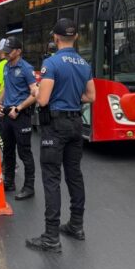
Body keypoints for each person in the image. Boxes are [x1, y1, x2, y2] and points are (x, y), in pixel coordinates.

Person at [26, 18, 96, 253]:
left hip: (55, 126)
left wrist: (35, 90)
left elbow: (43, 100)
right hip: (76, 123)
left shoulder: (52, 63)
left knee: (51, 178)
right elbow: (91, 96)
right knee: (74, 175)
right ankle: (76, 225)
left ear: (55, 38)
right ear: (75, 37)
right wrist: (72, 97)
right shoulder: (84, 63)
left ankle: (51, 236)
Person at [0, 36, 38, 200]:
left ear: (18, 51)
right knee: (7, 150)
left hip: (21, 115)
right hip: (7, 114)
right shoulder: (6, 66)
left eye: (9, 51)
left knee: (24, 152)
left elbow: (35, 93)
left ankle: (29, 187)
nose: (6, 53)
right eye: (5, 50)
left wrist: (19, 108)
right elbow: (7, 87)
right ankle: (9, 182)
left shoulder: (26, 68)